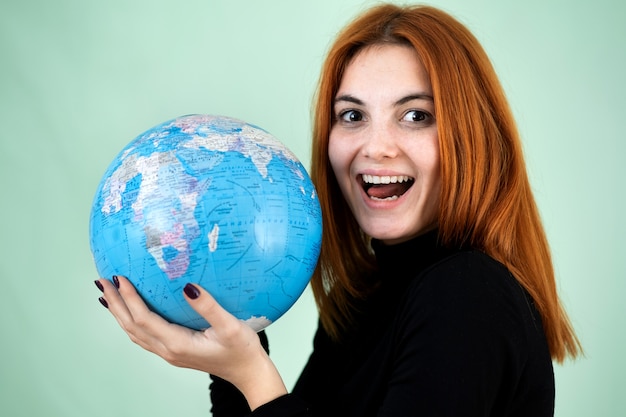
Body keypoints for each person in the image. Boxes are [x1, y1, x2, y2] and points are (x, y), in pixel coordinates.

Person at [94, 3, 582, 416]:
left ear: (474, 137)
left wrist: (253, 376)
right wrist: (232, 358)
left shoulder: (468, 294)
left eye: (416, 116)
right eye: (352, 116)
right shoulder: (366, 300)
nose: (376, 147)